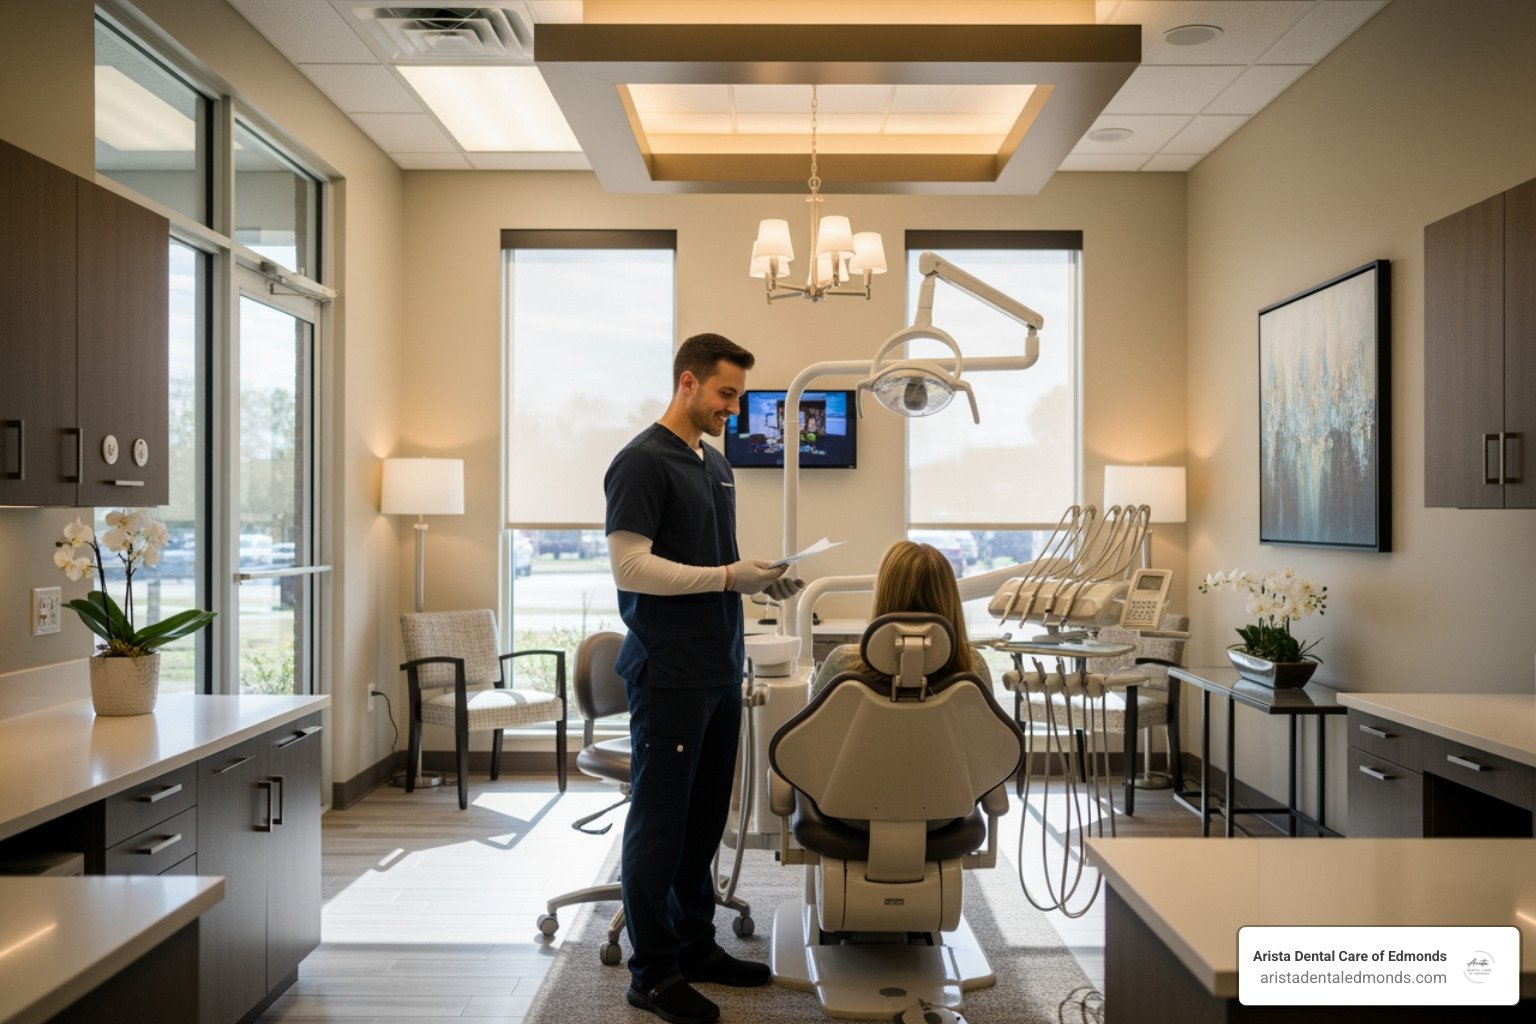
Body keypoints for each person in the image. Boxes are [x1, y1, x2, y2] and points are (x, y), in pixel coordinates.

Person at [604, 332, 804, 1024]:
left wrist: (759, 583)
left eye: (739, 396)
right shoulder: (640, 463)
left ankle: (695, 945)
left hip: (720, 667)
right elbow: (631, 568)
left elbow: (715, 563)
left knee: (704, 823)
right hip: (670, 674)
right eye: (726, 394)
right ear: (687, 383)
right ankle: (652, 973)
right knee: (659, 824)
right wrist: (726, 577)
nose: (734, 407)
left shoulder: (715, 466)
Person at [812, 539, 992, 697]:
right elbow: (991, 734)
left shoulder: (842, 665)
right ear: (950, 599)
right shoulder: (974, 669)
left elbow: (809, 732)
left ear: (883, 596)